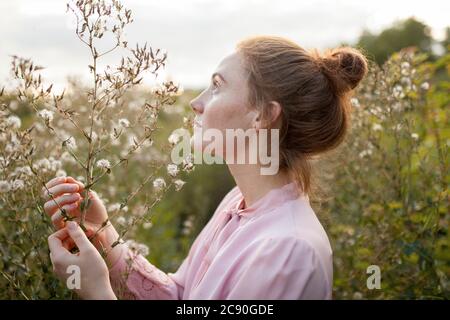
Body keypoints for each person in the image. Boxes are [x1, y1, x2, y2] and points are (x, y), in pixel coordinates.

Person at [42, 35, 368, 299]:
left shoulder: (287, 251)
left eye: (217, 85)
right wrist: (103, 233)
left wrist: (98, 292)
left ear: (263, 116)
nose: (195, 102)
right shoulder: (237, 203)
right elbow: (181, 298)